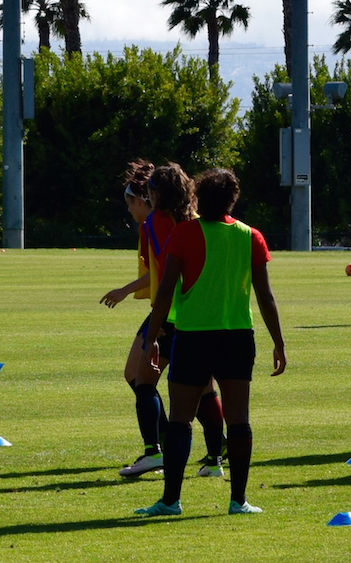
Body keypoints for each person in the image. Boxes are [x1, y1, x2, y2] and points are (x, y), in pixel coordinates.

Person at [135, 168, 285, 517]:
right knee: (239, 419)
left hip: (192, 337)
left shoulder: (185, 233)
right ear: (234, 199)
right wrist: (279, 343)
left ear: (198, 197)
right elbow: (266, 297)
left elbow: (166, 290)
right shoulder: (252, 236)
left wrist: (152, 338)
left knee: (180, 421)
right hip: (237, 337)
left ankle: (170, 501)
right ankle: (239, 501)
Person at [101, 161, 227, 478]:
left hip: (170, 313)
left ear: (152, 196)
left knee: (143, 380)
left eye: (134, 200)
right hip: (202, 314)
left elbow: (167, 267)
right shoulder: (196, 218)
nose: (131, 208)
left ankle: (154, 451)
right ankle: (216, 457)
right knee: (203, 389)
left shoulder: (157, 221)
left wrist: (155, 324)